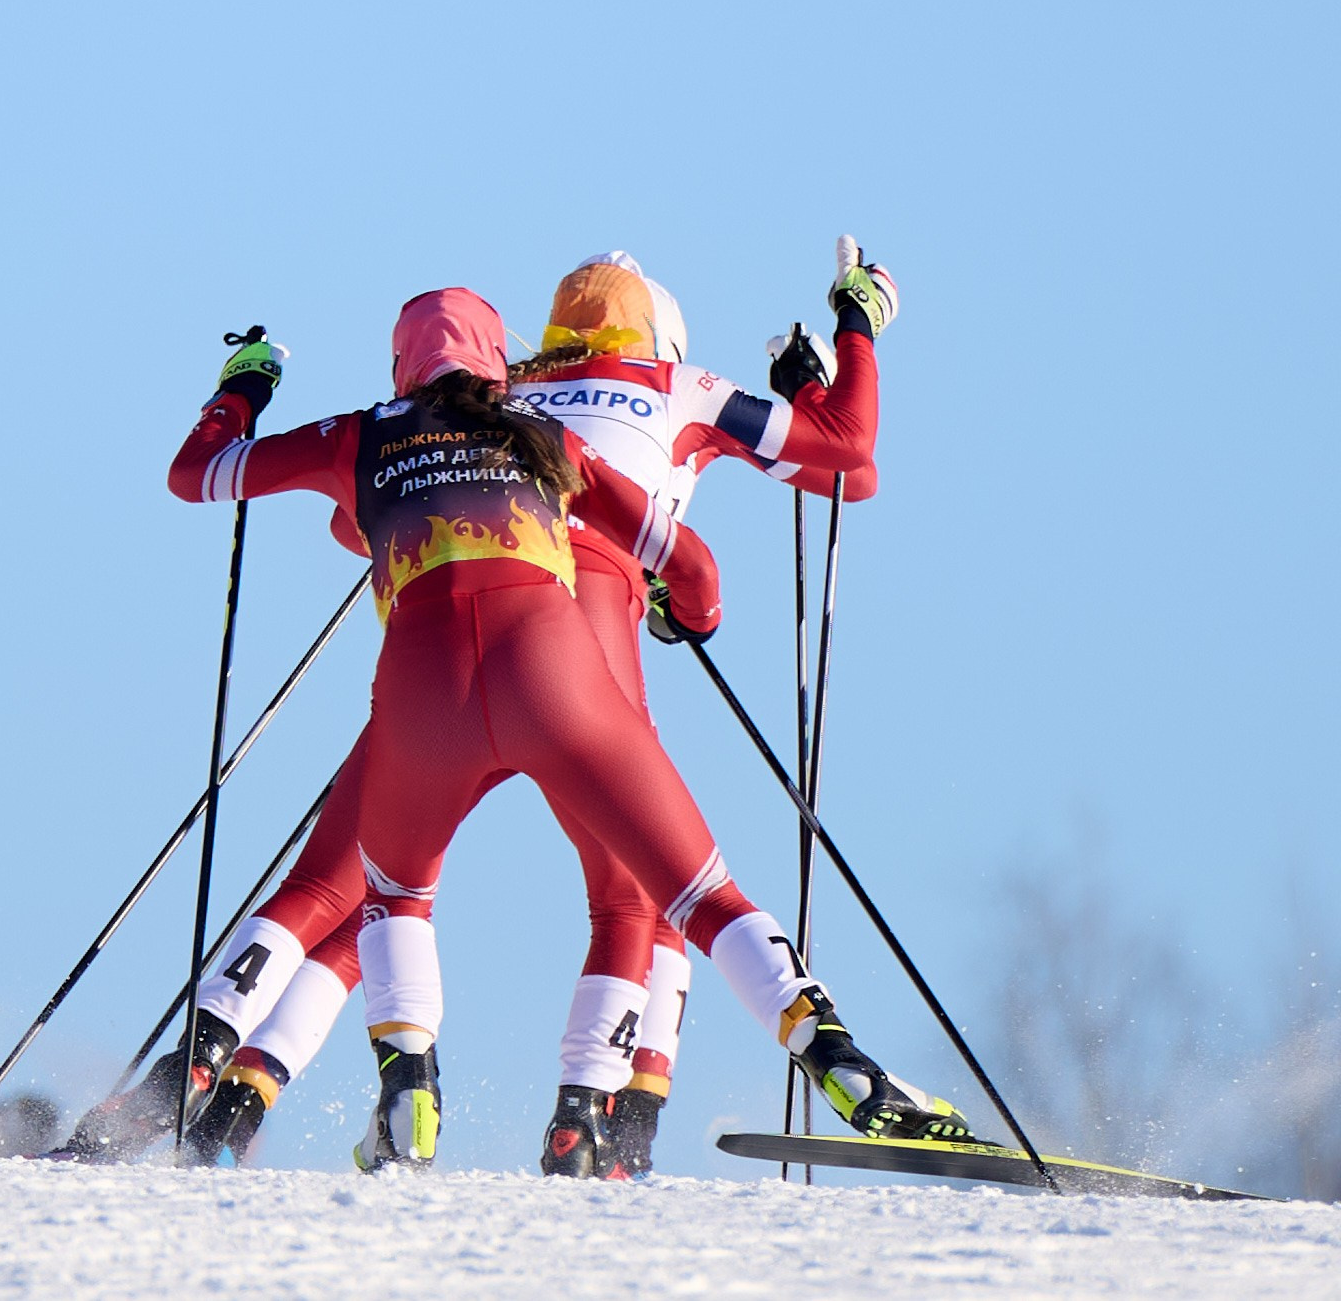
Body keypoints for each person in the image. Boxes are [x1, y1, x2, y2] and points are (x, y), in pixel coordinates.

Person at [152, 280, 957, 1170]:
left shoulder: (369, 427)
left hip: (421, 693)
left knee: (369, 894)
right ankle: (814, 1061)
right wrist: (690, 611)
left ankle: (393, 1093)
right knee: (673, 899)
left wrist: (248, 385)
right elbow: (815, 482)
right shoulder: (604, 410)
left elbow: (235, 489)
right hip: (567, 670)